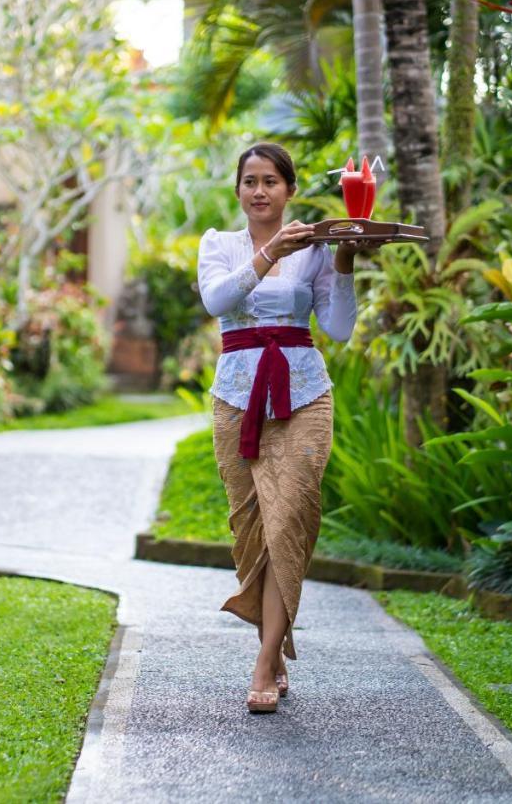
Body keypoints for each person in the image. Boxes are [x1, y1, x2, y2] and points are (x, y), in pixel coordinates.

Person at [196, 142, 359, 714]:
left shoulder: (313, 248)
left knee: (289, 518)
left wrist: (343, 261)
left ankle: (265, 661)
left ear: (290, 190)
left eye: (271, 181)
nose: (260, 190)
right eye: (250, 181)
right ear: (238, 190)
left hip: (304, 393)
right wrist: (268, 255)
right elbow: (218, 300)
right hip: (237, 396)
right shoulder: (218, 245)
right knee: (251, 530)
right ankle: (274, 642)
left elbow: (338, 327)